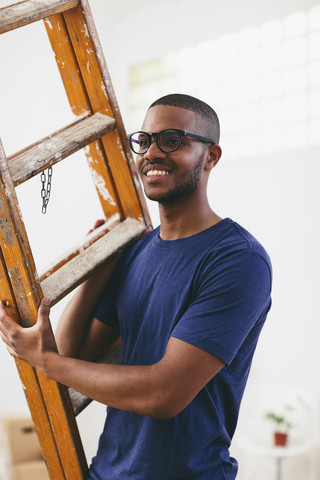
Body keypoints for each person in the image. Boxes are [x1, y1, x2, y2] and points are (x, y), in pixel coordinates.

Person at [0, 93, 272, 479]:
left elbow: (164, 394)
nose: (152, 153)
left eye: (173, 140)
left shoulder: (237, 260)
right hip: (106, 472)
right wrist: (96, 275)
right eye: (144, 140)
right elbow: (71, 354)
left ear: (211, 157)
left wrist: (45, 360)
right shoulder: (135, 250)